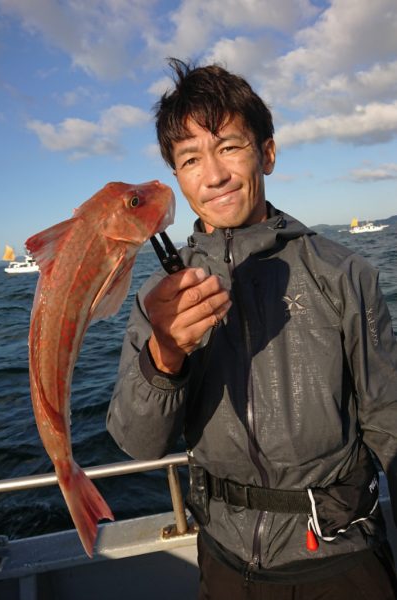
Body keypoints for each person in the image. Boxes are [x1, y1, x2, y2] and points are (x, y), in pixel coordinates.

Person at [107, 58, 397, 599]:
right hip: (223, 558)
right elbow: (139, 444)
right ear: (177, 175)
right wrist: (165, 355)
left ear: (266, 152)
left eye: (229, 147)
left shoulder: (344, 272)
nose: (213, 174)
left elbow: (390, 418)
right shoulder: (159, 300)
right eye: (190, 158)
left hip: (340, 553)